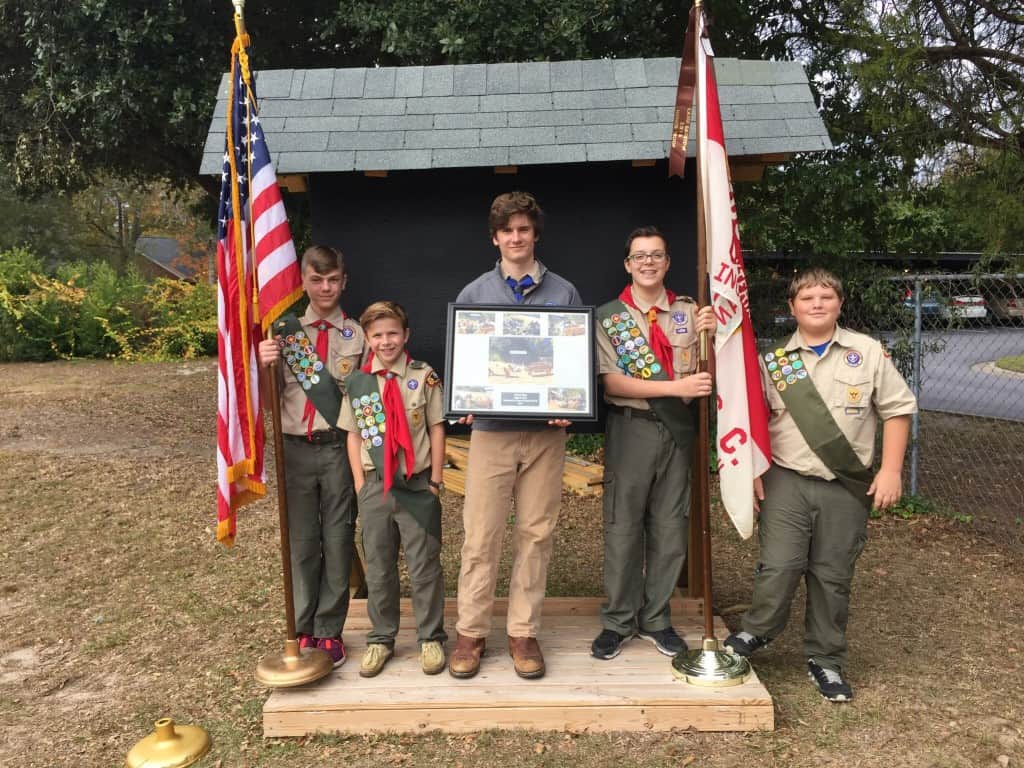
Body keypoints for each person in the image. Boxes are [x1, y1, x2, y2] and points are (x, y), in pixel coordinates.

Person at [724, 268, 917, 702]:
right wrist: (751, 471)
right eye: (807, 297)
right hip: (787, 479)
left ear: (839, 304)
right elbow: (754, 421)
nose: (816, 304)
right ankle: (758, 631)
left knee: (832, 575)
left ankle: (825, 658)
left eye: (826, 297)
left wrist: (890, 470)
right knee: (780, 564)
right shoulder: (773, 361)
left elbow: (898, 409)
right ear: (791, 307)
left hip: (845, 485)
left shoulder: (866, 353)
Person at [450, 191, 582, 680]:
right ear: (496, 237)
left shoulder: (563, 293)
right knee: (481, 534)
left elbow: (572, 362)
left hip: (545, 435)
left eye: (524, 229)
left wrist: (570, 401)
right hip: (492, 432)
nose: (516, 237)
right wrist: (466, 400)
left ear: (535, 234)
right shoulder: (475, 295)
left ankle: (523, 631)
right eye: (508, 230)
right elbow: (466, 364)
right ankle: (471, 630)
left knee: (537, 532)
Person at [590, 226, 716, 661]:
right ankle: (618, 620)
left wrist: (713, 335)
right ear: (627, 264)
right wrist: (675, 390)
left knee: (669, 525)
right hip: (633, 427)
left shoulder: (689, 312)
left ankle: (657, 618)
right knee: (623, 526)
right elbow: (613, 382)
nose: (648, 262)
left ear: (667, 262)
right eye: (639, 256)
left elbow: (712, 373)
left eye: (656, 255)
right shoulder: (610, 317)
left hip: (678, 431)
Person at [257, 244, 364, 668]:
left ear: (343, 281)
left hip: (337, 448)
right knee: (301, 543)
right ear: (302, 280)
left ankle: (329, 631)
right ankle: (302, 626)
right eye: (316, 280)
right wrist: (264, 365)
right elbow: (268, 405)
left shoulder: (356, 335)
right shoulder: (282, 334)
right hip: (294, 450)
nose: (325, 288)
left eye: (333, 279)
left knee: (337, 540)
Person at [338, 301, 448, 677]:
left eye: (392, 333)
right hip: (375, 487)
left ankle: (430, 637)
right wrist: (358, 483)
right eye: (378, 335)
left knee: (424, 566)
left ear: (406, 336)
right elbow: (353, 436)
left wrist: (435, 480)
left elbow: (436, 427)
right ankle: (381, 638)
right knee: (380, 568)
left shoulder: (423, 376)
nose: (386, 342)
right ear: (368, 340)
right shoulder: (360, 383)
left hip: (417, 486)